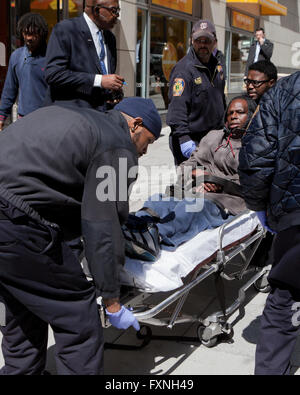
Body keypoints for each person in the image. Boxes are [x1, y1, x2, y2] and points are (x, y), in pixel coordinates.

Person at [0, 97, 162, 375]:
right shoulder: (117, 147)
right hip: (15, 221)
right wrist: (111, 300)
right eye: (148, 141)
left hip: (10, 213)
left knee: (21, 307)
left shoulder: (82, 118)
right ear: (135, 124)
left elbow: (58, 189)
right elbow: (103, 225)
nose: (145, 152)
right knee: (78, 317)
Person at [238, 71, 300, 375]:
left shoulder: (282, 92)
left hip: (294, 216)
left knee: (285, 302)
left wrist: (260, 207)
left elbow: (255, 158)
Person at [45, 0, 124, 111]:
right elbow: (54, 74)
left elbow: (104, 74)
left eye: (118, 11)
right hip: (73, 116)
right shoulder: (66, 30)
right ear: (97, 10)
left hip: (102, 116)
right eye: (113, 10)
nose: (117, 15)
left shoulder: (110, 38)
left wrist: (112, 91)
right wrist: (99, 81)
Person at [166, 20, 226, 165]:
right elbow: (177, 109)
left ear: (215, 42)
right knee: (192, 185)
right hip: (191, 141)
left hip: (213, 140)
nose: (203, 45)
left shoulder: (217, 66)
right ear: (191, 41)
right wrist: (184, 140)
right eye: (198, 40)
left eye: (207, 40)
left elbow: (219, 98)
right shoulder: (184, 70)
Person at [0, 13, 48, 131]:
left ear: (41, 34)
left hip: (47, 120)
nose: (29, 38)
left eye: (33, 34)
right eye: (26, 33)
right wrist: (1, 117)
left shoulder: (52, 57)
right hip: (24, 121)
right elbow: (9, 90)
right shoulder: (16, 56)